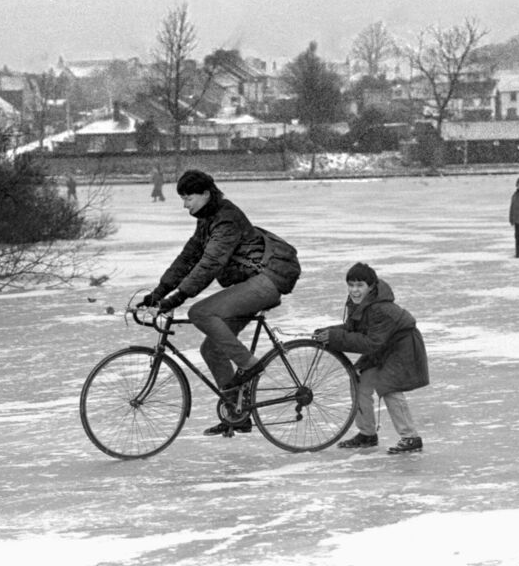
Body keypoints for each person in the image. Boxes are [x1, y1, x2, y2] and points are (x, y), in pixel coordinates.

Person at [138, 170, 301, 435]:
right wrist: (159, 292)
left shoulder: (226, 219)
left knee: (200, 312)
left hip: (266, 282)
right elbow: (188, 258)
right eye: (182, 199)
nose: (184, 204)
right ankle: (237, 414)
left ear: (205, 194)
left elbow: (210, 263)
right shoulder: (207, 219)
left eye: (188, 198)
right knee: (212, 350)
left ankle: (250, 365)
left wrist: (178, 297)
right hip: (251, 283)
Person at [313, 263, 429, 454]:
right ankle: (367, 434)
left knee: (390, 386)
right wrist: (329, 332)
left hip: (402, 345)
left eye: (359, 285)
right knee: (360, 382)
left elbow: (370, 343)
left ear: (371, 286)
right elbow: (352, 329)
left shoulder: (380, 308)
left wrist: (333, 338)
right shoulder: (358, 303)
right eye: (351, 285)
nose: (354, 290)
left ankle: (411, 438)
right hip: (382, 345)